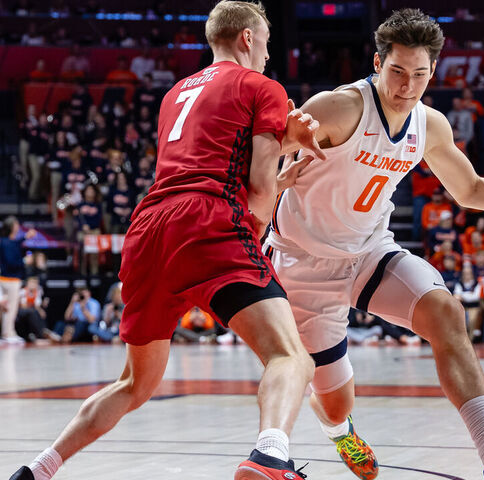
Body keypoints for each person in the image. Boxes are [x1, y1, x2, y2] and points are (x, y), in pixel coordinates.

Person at [264, 8, 484, 480]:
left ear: (433, 72)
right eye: (397, 71)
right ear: (378, 64)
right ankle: (341, 434)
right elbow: (258, 152)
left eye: (419, 74)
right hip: (304, 262)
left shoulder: (429, 124)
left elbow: (470, 189)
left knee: (446, 312)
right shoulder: (337, 107)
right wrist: (274, 182)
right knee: (336, 403)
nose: (407, 85)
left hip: (370, 252)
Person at [9, 2, 324, 480]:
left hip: (150, 227)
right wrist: (256, 231)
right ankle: (271, 456)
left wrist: (282, 147)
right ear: (246, 39)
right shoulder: (264, 87)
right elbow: (257, 185)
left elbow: (210, 159)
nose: (266, 52)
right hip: (209, 224)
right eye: (264, 41)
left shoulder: (176, 92)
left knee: (134, 382)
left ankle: (39, 468)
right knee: (289, 356)